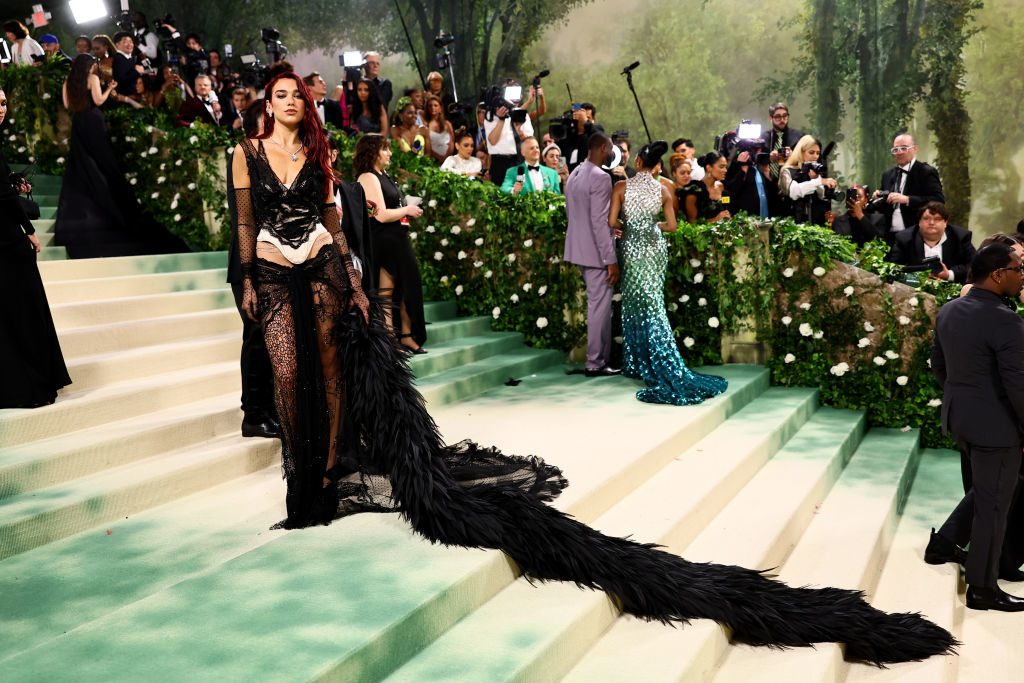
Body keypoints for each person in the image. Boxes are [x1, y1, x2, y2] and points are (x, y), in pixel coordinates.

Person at [227, 79, 959, 663]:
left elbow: (334, 215)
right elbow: (242, 223)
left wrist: (353, 284)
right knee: (292, 382)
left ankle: (321, 476)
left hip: (326, 267)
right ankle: (308, 485)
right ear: (264, 102)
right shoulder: (247, 154)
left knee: (329, 380)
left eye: (298, 93)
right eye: (281, 92)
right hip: (271, 264)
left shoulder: (323, 157)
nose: (291, 100)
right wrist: (247, 281)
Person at [927, 243, 1024, 611]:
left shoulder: (951, 309)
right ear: (998, 273)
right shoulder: (1005, 319)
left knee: (988, 500)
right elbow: (1018, 383)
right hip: (997, 428)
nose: (1021, 276)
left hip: (962, 420)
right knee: (992, 508)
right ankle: (984, 590)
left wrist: (963, 399)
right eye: (1018, 269)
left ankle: (988, 573)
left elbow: (939, 366)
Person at [609, 141, 728, 405]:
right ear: (658, 167)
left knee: (633, 302)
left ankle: (636, 362)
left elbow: (610, 222)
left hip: (631, 247)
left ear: (637, 163)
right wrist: (653, 225)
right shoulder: (663, 189)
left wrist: (632, 225)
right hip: (654, 249)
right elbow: (672, 226)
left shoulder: (621, 187)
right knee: (653, 302)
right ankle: (655, 360)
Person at [55, 55, 187, 258]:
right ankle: (112, 197)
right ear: (88, 66)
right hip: (94, 120)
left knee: (82, 162)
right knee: (105, 161)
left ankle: (94, 192)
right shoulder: (91, 79)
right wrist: (109, 88)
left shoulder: (68, 81)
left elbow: (66, 104)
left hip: (79, 122)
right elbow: (98, 100)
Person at [0, 86, 71, 408]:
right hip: (5, 239)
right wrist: (28, 228)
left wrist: (12, 179)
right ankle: (26, 384)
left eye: (3, 102)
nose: (1, 108)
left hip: (5, 236)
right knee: (23, 311)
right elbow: (1, 196)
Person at [224, 99, 279, 439]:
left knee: (273, 339)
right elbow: (247, 218)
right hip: (250, 263)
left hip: (274, 260)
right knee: (257, 337)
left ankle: (270, 410)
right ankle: (254, 415)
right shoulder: (244, 157)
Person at [355, 133, 427, 354]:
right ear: (372, 151)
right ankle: (390, 339)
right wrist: (408, 209)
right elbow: (381, 215)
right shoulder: (367, 177)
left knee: (405, 287)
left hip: (397, 237)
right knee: (387, 291)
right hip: (384, 238)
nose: (390, 153)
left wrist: (405, 207)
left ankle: (405, 335)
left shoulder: (383, 174)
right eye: (385, 149)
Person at [565, 133, 619, 377]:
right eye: (610, 150)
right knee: (599, 308)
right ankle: (596, 363)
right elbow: (599, 223)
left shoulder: (575, 173)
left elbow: (573, 214)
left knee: (595, 306)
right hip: (597, 254)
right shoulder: (601, 177)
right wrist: (610, 259)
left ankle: (598, 360)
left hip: (579, 249)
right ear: (605, 148)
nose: (611, 155)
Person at [870, 134, 945, 238]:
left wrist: (907, 199)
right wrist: (879, 197)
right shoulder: (887, 174)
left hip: (917, 234)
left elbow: (938, 200)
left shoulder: (926, 172)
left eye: (904, 148)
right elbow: (885, 207)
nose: (899, 152)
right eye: (895, 149)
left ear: (915, 149)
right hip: (889, 235)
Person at [885, 201, 976, 284]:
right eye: (926, 218)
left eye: (937, 219)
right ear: (919, 222)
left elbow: (974, 265)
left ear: (945, 223)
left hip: (953, 292)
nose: (931, 222)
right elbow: (894, 267)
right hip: (914, 290)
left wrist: (949, 274)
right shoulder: (904, 238)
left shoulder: (960, 237)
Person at [778, 135, 837, 224]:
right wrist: (819, 181)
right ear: (800, 152)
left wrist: (817, 179)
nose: (815, 156)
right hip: (794, 225)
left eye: (817, 153)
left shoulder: (814, 171)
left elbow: (821, 195)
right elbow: (794, 192)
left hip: (815, 223)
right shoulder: (787, 171)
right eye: (811, 152)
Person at [484, 86, 534, 188]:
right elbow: (492, 141)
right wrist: (501, 119)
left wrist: (519, 130)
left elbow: (529, 143)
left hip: (519, 160)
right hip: (499, 162)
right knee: (500, 196)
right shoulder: (491, 115)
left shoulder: (522, 114)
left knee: (521, 194)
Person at [724, 145, 779, 219]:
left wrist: (767, 174)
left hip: (767, 219)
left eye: (759, 150)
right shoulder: (735, 166)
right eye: (754, 149)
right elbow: (730, 191)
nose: (756, 153)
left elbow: (776, 193)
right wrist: (743, 171)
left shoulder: (763, 167)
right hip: (747, 220)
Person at [684, 152, 731, 223]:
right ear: (709, 168)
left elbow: (725, 208)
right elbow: (692, 222)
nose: (725, 170)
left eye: (725, 167)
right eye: (721, 167)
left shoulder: (721, 186)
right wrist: (715, 219)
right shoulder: (694, 190)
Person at [762, 102, 804, 179]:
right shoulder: (763, 138)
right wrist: (769, 157)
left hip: (792, 181)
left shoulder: (799, 136)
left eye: (785, 116)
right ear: (771, 118)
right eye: (778, 117)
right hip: (767, 182)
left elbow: (808, 158)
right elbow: (755, 159)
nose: (782, 120)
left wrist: (793, 156)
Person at [111, 32, 143, 99]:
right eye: (125, 42)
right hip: (126, 97)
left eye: (131, 42)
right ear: (117, 44)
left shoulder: (128, 57)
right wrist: (137, 72)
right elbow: (122, 79)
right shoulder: (118, 58)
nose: (130, 44)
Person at [423, 94, 454, 164]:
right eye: (430, 106)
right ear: (427, 108)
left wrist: (446, 157)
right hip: (433, 160)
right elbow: (428, 147)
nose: (433, 108)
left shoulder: (447, 124)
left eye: (435, 105)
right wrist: (440, 158)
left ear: (440, 108)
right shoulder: (425, 126)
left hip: (449, 159)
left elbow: (452, 142)